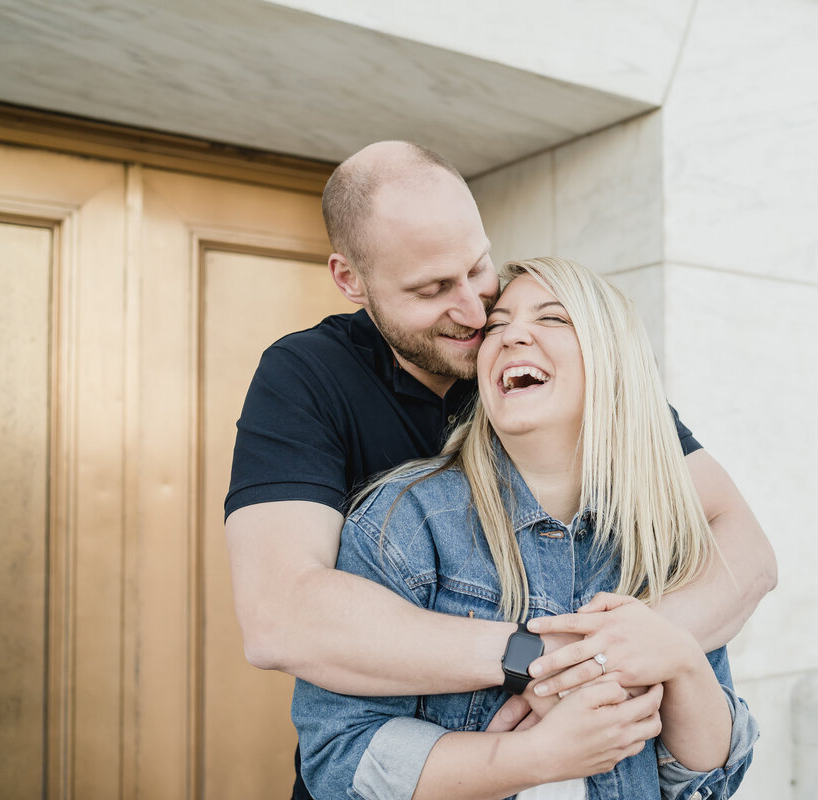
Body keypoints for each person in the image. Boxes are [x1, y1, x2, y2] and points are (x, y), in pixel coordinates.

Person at [224, 141, 776, 799]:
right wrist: (541, 663)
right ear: (350, 280)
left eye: (477, 267)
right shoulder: (319, 396)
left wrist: (659, 650)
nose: (476, 312)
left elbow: (745, 553)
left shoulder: (577, 401)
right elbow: (279, 617)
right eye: (433, 288)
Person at [293, 257, 758, 800]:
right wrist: (530, 759)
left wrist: (679, 657)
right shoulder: (403, 522)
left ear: (613, 360)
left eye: (553, 319)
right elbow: (340, 759)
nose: (512, 335)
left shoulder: (663, 534)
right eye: (497, 326)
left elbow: (704, 779)